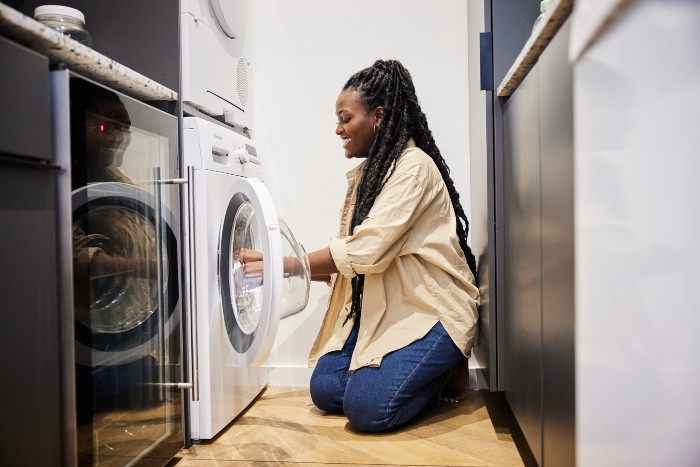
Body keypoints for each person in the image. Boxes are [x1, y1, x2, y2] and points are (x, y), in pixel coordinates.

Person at [303, 59, 480, 432]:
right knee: (325, 390)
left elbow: (364, 252)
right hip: (388, 311)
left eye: (345, 118)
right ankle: (396, 376)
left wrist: (285, 264)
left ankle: (443, 366)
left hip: (431, 311)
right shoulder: (369, 173)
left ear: (379, 116)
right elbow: (354, 255)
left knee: (367, 410)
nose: (338, 129)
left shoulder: (414, 167)